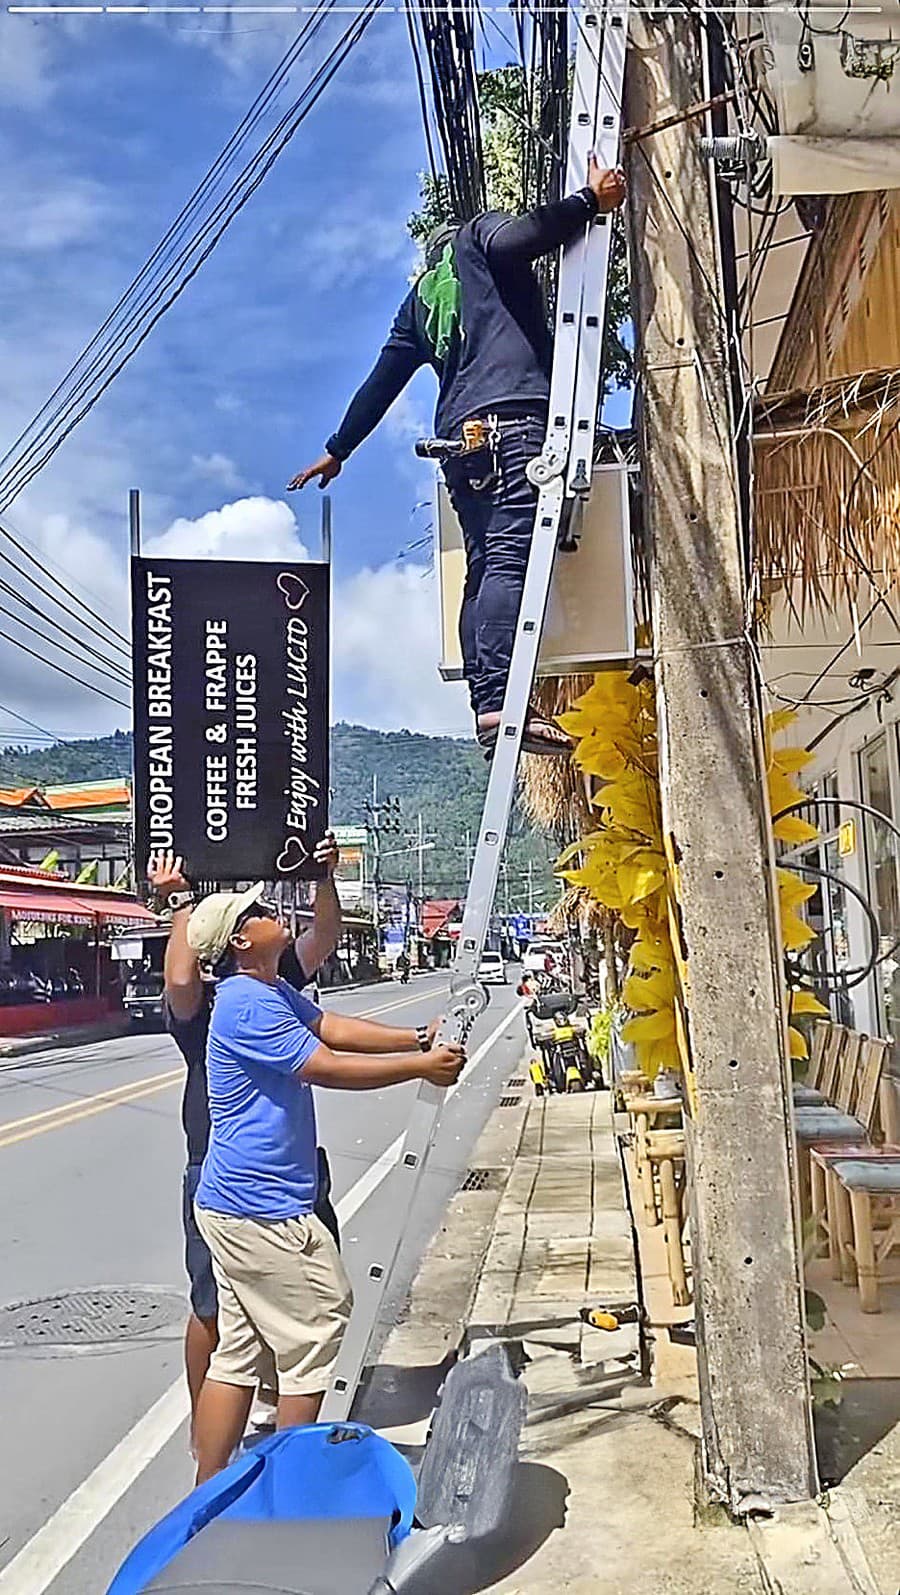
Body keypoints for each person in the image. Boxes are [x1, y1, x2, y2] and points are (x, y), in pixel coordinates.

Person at [289, 157, 626, 756]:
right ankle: (498, 707)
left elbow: (380, 383)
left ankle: (487, 704)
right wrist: (588, 203)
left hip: (461, 442)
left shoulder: (419, 302)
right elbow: (524, 234)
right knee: (508, 559)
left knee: (483, 569)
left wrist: (337, 450)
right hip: (513, 420)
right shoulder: (478, 237)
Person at [185, 886, 464, 1482]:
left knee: (238, 1352)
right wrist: (421, 1067)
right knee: (315, 1332)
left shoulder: (267, 989)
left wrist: (415, 1038)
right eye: (257, 913)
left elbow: (330, 1025)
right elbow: (325, 1066)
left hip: (234, 1203)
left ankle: (206, 1495)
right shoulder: (245, 1004)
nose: (270, 913)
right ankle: (295, 1489)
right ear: (239, 940)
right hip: (260, 1208)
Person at [148, 839, 344, 1444]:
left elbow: (322, 941)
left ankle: (262, 1413)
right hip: (220, 1169)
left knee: (288, 1301)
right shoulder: (205, 1004)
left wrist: (323, 876)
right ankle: (211, 1416)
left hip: (290, 1170)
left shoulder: (270, 986)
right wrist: (179, 904)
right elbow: (181, 973)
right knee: (214, 1305)